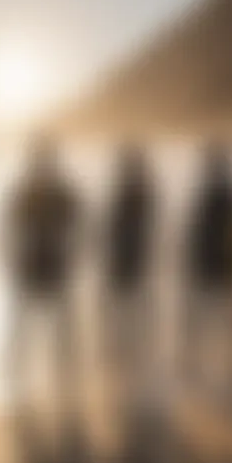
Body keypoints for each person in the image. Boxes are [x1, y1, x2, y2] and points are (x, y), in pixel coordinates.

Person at [6, 138, 81, 409]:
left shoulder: (56, 192)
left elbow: (76, 227)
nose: (44, 166)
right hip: (37, 265)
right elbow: (13, 230)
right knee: (32, 327)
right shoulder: (36, 192)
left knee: (52, 327)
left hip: (49, 266)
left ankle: (51, 377)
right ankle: (23, 377)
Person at [183, 141, 232, 398]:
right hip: (214, 266)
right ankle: (214, 365)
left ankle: (225, 366)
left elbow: (205, 232)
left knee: (216, 318)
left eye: (210, 161)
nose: (207, 166)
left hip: (216, 266)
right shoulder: (225, 192)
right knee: (213, 318)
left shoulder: (222, 194)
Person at [103, 144, 156, 373]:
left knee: (130, 307)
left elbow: (133, 229)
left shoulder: (137, 196)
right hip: (125, 260)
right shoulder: (134, 195)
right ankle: (125, 343)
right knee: (126, 307)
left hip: (131, 259)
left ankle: (129, 344)